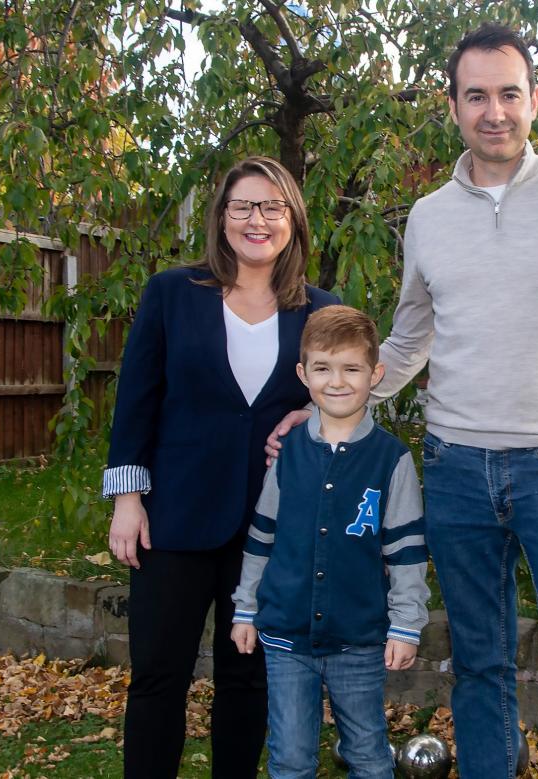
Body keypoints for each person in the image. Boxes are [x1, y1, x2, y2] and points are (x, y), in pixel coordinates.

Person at [271, 23, 538, 779]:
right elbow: (407, 340)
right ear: (453, 106)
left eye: (508, 94)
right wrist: (331, 405)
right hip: (457, 470)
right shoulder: (429, 216)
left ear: (535, 102)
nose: (493, 111)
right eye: (476, 96)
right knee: (479, 667)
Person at [102, 155, 339, 778]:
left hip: (272, 530)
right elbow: (136, 401)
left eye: (271, 207)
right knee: (158, 677)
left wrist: (309, 424)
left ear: (292, 219)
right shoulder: (172, 294)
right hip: (173, 521)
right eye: (242, 207)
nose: (256, 220)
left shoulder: (320, 310)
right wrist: (128, 499)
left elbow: (345, 406)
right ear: (222, 217)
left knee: (247, 680)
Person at [231, 305, 429, 779]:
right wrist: (245, 609)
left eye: (351, 369)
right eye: (322, 368)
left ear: (375, 374)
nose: (336, 382)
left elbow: (405, 552)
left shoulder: (391, 460)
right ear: (303, 374)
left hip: (358, 639)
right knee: (290, 758)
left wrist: (406, 624)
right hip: (285, 638)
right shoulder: (287, 451)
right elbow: (263, 536)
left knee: (367, 753)